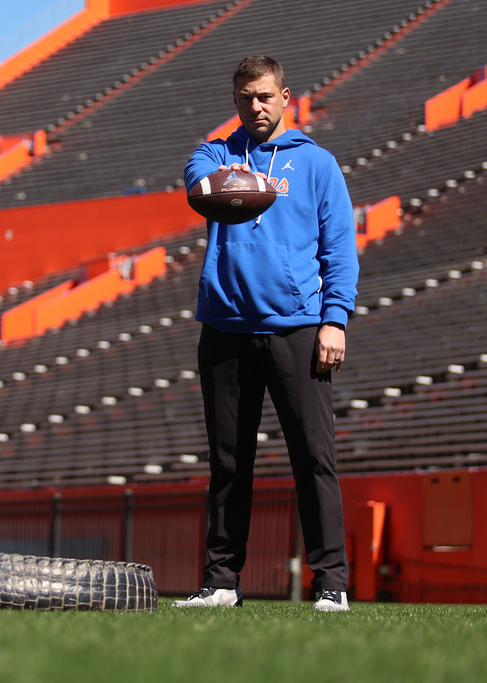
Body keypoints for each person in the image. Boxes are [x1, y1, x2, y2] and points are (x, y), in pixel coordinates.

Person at [175, 55, 359, 612]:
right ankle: (221, 582)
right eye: (243, 97)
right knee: (229, 463)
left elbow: (340, 251)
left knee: (313, 458)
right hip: (225, 326)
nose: (254, 106)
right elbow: (196, 180)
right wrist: (238, 179)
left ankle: (331, 585)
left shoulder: (319, 165)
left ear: (285, 96)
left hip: (298, 328)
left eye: (263, 96)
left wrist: (335, 319)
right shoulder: (217, 153)